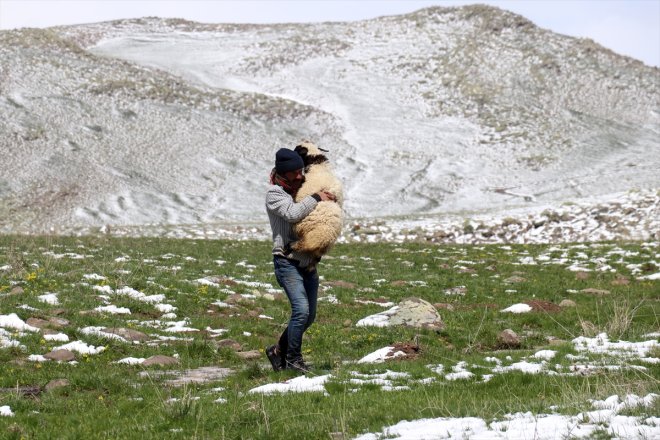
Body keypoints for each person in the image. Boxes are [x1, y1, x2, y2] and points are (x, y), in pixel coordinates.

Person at [265, 147, 336, 373]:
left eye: (300, 171)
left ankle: (277, 351)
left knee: (309, 316)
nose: (299, 176)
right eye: (294, 172)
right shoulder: (275, 195)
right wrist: (316, 197)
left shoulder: (301, 191)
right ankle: (294, 360)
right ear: (283, 174)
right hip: (286, 262)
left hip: (308, 263)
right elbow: (293, 214)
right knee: (301, 311)